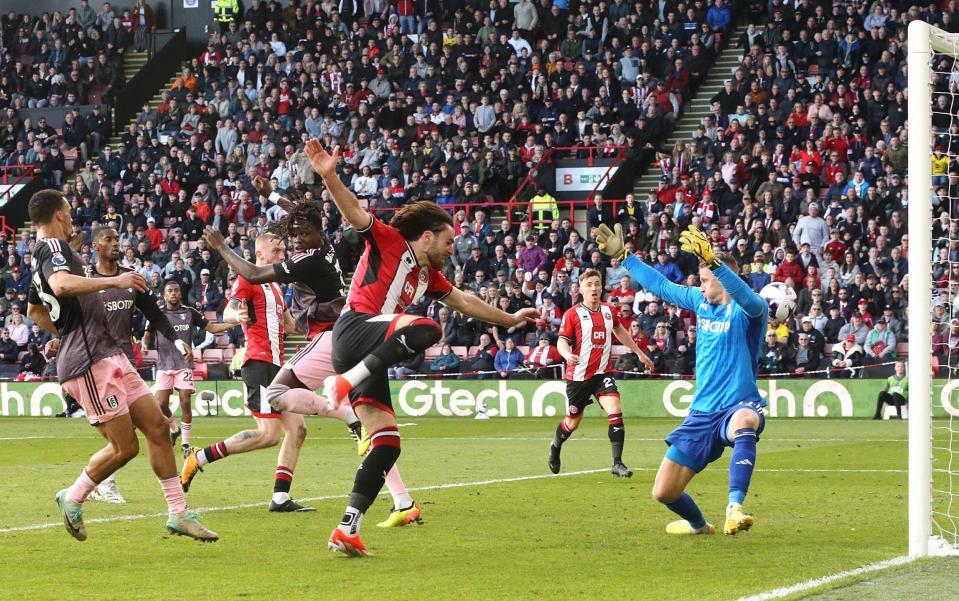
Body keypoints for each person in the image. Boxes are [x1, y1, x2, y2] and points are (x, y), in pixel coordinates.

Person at [306, 141, 538, 556]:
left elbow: (466, 301)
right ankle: (343, 383)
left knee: (388, 442)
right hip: (355, 329)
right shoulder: (389, 239)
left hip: (367, 351)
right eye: (448, 242)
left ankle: (347, 528)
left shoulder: (427, 276)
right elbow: (353, 212)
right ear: (427, 236)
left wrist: (512, 319)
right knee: (428, 327)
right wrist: (328, 174)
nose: (453, 249)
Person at [201, 182, 422, 528]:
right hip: (345, 333)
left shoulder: (308, 260)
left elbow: (252, 272)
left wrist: (220, 246)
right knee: (375, 431)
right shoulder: (324, 244)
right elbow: (300, 216)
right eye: (293, 236)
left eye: (301, 236)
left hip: (333, 336)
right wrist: (270, 195)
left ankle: (346, 418)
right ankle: (403, 501)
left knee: (277, 395)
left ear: (314, 234)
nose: (295, 241)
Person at [25, 189, 217, 542]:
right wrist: (114, 281)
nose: (71, 218)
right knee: (125, 447)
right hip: (89, 362)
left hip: (109, 354)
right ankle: (74, 495)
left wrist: (65, 331)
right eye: (67, 213)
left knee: (159, 428)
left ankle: (179, 513)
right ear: (57, 216)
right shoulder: (52, 248)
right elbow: (61, 284)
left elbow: (34, 311)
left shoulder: (42, 255)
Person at [596, 222, 767, 536]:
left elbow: (751, 301)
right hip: (701, 413)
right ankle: (700, 527)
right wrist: (624, 256)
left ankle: (735, 507)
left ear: (724, 280)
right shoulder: (701, 303)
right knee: (664, 492)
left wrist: (715, 262)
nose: (700, 287)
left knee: (745, 421)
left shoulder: (748, 312)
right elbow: (661, 286)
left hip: (738, 405)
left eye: (705, 280)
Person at [179, 232, 315, 511]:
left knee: (298, 429)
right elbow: (229, 310)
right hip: (259, 364)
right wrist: (236, 316)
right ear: (260, 254)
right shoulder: (248, 278)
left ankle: (280, 497)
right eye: (277, 250)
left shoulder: (276, 287)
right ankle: (198, 457)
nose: (282, 255)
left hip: (279, 367)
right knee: (268, 435)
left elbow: (290, 326)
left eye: (284, 249)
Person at [85, 226, 191, 505]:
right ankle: (98, 484)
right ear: (95, 245)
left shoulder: (132, 278)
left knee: (152, 426)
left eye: (117, 239)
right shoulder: (85, 280)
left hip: (125, 361)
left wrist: (177, 341)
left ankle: (171, 501)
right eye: (108, 239)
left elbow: (155, 315)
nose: (116, 244)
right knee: (121, 434)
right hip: (96, 363)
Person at [549, 269, 654, 478]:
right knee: (572, 422)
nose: (594, 288)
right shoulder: (573, 314)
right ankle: (556, 445)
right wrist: (566, 354)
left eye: (597, 284)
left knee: (615, 409)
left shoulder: (608, 310)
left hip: (602, 373)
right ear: (581, 289)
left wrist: (640, 353)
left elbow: (619, 331)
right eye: (590, 285)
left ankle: (617, 463)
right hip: (578, 376)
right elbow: (561, 340)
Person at [142, 281, 238, 456]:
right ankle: (174, 428)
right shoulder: (158, 314)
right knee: (161, 404)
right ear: (164, 295)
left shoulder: (190, 312)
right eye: (169, 291)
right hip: (164, 364)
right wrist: (144, 345)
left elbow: (213, 327)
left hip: (184, 363)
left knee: (185, 400)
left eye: (176, 290)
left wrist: (235, 323)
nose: (173, 293)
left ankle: (185, 442)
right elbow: (147, 334)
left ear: (180, 294)